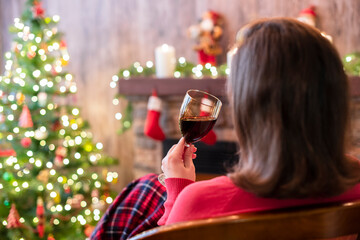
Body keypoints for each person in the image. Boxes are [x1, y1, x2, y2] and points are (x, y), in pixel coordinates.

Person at [91, 17, 360, 239]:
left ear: (249, 106)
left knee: (142, 191)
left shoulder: (200, 201)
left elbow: (170, 234)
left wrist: (179, 192)